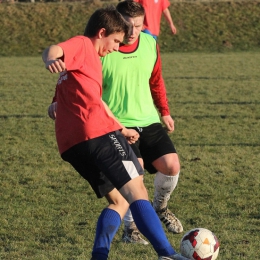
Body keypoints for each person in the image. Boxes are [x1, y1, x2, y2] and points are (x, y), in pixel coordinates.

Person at [44, 6, 188, 260]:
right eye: (115, 41)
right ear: (102, 32)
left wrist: (122, 129)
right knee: (137, 192)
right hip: (96, 135)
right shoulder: (84, 45)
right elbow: (53, 50)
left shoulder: (87, 63)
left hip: (71, 145)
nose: (115, 48)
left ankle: (99, 257)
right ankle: (167, 254)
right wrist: (50, 59)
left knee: (119, 202)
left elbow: (94, 102)